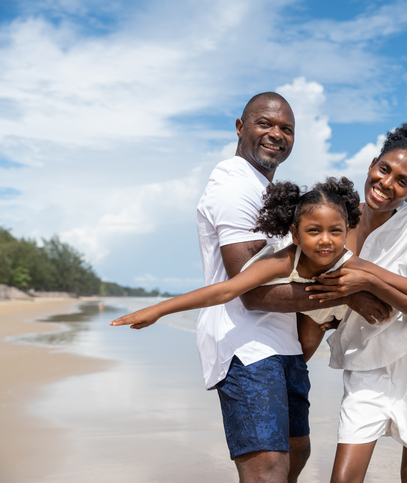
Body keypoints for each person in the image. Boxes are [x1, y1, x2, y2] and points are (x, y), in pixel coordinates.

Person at [114, 92, 391, 483]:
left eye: (286, 129)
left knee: (297, 450)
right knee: (268, 469)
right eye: (265, 124)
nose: (276, 134)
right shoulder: (233, 186)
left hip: (283, 345)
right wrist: (348, 293)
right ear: (241, 127)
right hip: (245, 345)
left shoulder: (264, 189)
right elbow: (250, 291)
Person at [240, 122, 407, 483]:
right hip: (364, 361)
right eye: (384, 169)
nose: (387, 183)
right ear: (372, 165)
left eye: (402, 181)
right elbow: (303, 263)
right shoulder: (338, 215)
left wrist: (368, 283)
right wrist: (347, 297)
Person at [111, 176, 407, 356]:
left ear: (347, 229)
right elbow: (227, 289)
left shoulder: (355, 263)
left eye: (336, 231)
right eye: (314, 231)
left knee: (360, 302)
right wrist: (158, 310)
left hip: (336, 315)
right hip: (313, 317)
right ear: (296, 234)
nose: (326, 240)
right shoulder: (288, 258)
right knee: (301, 355)